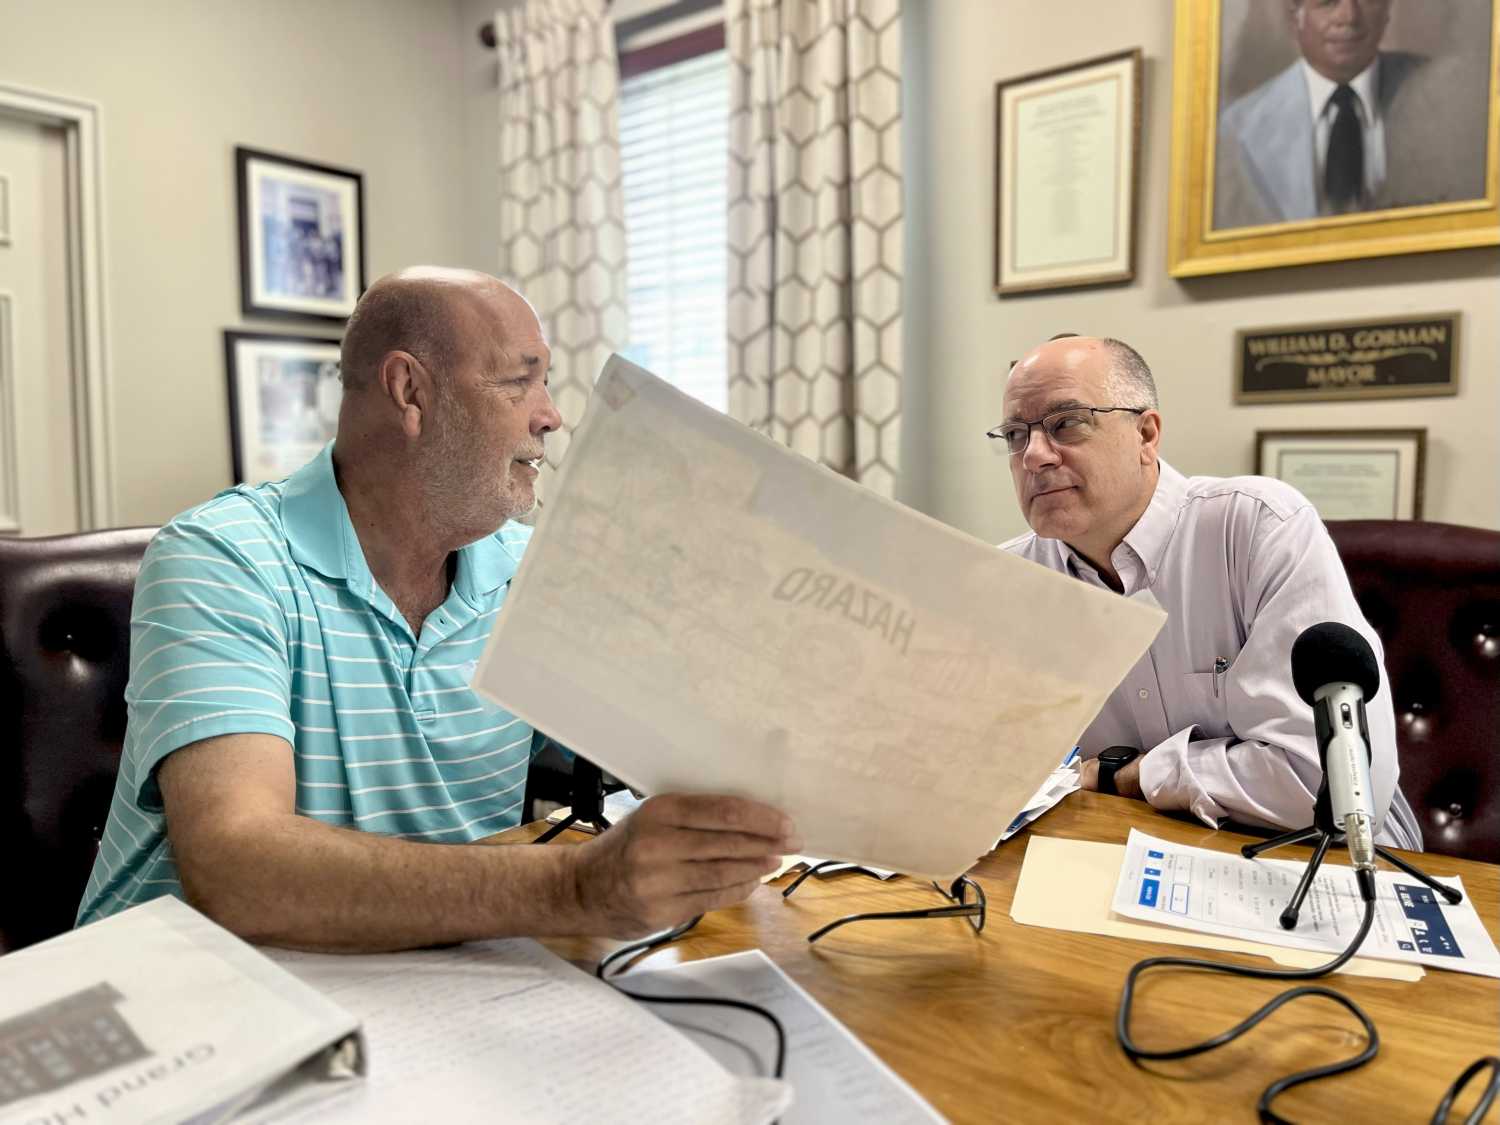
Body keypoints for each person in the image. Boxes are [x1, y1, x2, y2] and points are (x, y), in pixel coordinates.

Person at [77, 267, 799, 951]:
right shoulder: (220, 559)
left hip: (417, 980)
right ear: (410, 391)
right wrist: (579, 887)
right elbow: (238, 868)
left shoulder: (528, 572)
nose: (551, 415)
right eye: (522, 383)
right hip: (187, 1000)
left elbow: (676, 739)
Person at [994, 334, 1422, 849]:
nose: (1034, 456)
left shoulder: (1258, 526)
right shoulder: (1010, 578)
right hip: (1120, 852)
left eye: (1066, 423)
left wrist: (1125, 775)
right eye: (1016, 434)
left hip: (1332, 859)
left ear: (1146, 435)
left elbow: (1324, 784)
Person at [1214, 0, 1487, 230]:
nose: (1348, 16)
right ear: (1295, 16)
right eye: (1328, 1)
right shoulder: (1236, 130)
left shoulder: (1449, 98)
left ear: (1387, 10)